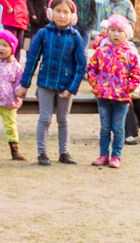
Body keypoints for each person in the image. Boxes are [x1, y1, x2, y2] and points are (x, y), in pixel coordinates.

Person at [16, 0, 85, 166]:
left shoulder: (76, 37)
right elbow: (32, 60)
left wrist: (72, 88)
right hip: (45, 83)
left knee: (63, 119)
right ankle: (41, 153)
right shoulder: (43, 33)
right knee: (45, 118)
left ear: (72, 16)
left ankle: (64, 152)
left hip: (66, 86)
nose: (62, 15)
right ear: (50, 13)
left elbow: (81, 65)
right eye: (58, 11)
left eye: (65, 12)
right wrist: (24, 85)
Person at [86, 13, 138, 168]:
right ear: (107, 31)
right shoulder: (101, 52)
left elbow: (136, 75)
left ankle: (116, 156)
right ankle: (103, 155)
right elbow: (91, 69)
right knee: (105, 128)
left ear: (126, 34)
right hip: (103, 97)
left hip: (121, 99)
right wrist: (96, 85)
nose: (115, 34)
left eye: (119, 31)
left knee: (118, 127)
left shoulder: (130, 54)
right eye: (112, 30)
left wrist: (126, 89)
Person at [0, 30, 24, 159]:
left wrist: (19, 93)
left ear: (12, 48)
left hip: (8, 103)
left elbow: (19, 83)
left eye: (5, 45)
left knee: (10, 126)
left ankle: (14, 150)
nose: (1, 48)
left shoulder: (16, 66)